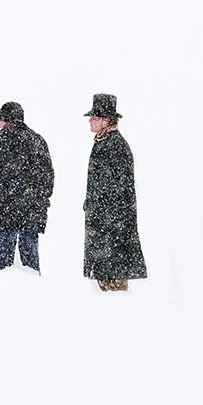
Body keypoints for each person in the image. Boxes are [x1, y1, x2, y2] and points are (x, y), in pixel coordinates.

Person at [0, 100, 54, 272]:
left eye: (0, 120)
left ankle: (5, 296)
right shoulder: (38, 141)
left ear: (5, 119)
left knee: (3, 271)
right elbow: (48, 180)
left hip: (2, 216)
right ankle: (36, 295)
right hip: (30, 215)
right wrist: (39, 205)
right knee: (31, 267)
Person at [82, 93, 147, 292]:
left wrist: (104, 215)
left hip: (112, 228)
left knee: (114, 286)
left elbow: (119, 191)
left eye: (94, 117)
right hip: (104, 226)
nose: (90, 121)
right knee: (105, 281)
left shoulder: (116, 146)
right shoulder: (103, 142)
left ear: (105, 120)